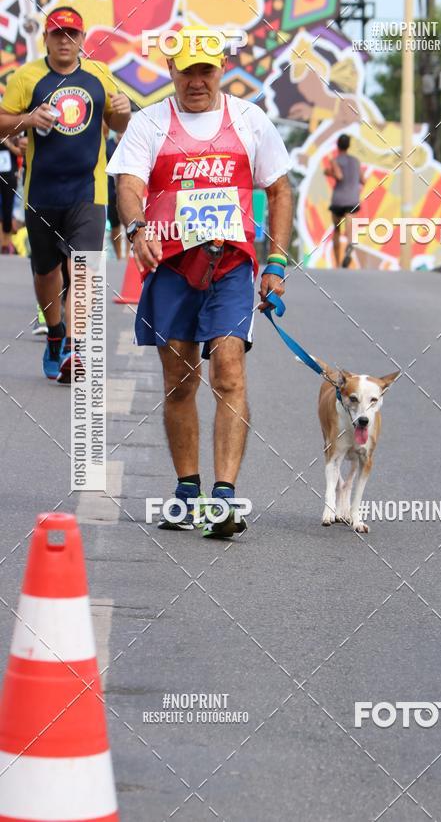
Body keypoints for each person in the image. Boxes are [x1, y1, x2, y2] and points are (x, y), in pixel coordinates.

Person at [107, 27, 293, 538]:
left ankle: (225, 497)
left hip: (229, 268)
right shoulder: (149, 123)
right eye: (187, 70)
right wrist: (138, 227)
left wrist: (276, 264)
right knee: (180, 382)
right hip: (172, 270)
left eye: (206, 70)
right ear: (171, 70)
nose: (196, 81)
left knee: (229, 373)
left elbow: (280, 190)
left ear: (221, 69)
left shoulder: (249, 120)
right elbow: (129, 186)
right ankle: (188, 491)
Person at [0, 5, 131, 382]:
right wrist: (27, 119)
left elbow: (118, 123)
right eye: (58, 33)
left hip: (89, 191)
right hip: (41, 192)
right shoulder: (26, 77)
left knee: (84, 267)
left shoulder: (99, 75)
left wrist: (122, 110)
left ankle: (75, 349)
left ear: (82, 39)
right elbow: (2, 123)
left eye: (72, 34)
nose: (65, 41)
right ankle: (55, 335)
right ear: (46, 38)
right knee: (46, 273)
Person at [325, 133, 364, 268]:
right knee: (350, 228)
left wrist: (328, 172)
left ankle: (337, 263)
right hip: (352, 199)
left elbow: (339, 176)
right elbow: (363, 180)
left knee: (337, 230)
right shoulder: (356, 161)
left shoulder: (335, 160)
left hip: (338, 200)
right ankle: (350, 246)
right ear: (348, 146)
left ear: (338, 145)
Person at [104, 127, 123, 258]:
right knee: (115, 226)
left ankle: (127, 256)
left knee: (131, 225)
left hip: (127, 190)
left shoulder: (130, 143)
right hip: (111, 192)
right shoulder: (108, 145)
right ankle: (119, 256)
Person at [0, 135, 20, 254]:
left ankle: (6, 244)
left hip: (9, 175)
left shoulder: (13, 132)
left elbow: (20, 152)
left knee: (8, 209)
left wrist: (7, 143)